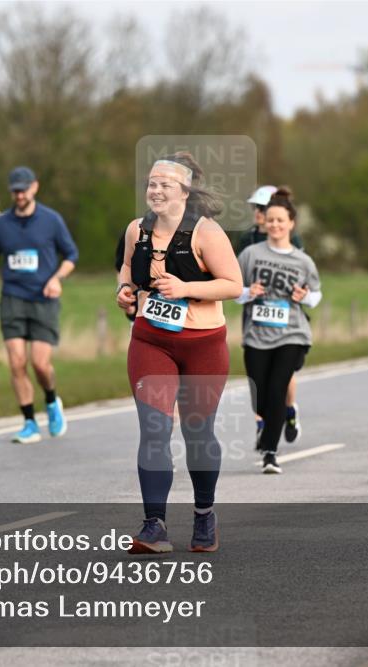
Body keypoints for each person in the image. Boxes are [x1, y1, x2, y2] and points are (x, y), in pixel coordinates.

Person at [116, 152, 243, 554]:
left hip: (203, 345)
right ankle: (154, 525)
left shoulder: (207, 233)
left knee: (197, 432)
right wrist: (125, 292)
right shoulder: (137, 229)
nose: (155, 191)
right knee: (154, 428)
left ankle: (204, 514)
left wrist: (186, 289)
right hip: (151, 341)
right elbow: (128, 271)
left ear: (185, 192)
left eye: (164, 185)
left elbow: (233, 284)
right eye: (151, 184)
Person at [0, 166, 78, 444]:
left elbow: (71, 255)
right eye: (15, 190)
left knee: (40, 364)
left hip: (43, 299)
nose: (20, 195)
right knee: (16, 362)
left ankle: (51, 400)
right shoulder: (1, 223)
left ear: (34, 187)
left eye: (24, 190)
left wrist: (57, 278)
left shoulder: (51, 220)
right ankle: (29, 422)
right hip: (13, 298)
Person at [237, 189, 321, 473]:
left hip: (292, 334)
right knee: (260, 396)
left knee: (277, 390)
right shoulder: (250, 254)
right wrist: (248, 292)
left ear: (291, 223)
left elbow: (316, 295)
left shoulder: (302, 261)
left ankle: (270, 453)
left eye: (280, 220)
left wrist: (304, 296)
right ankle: (275, 420)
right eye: (270, 219)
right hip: (256, 335)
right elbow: (233, 289)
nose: (274, 225)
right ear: (264, 221)